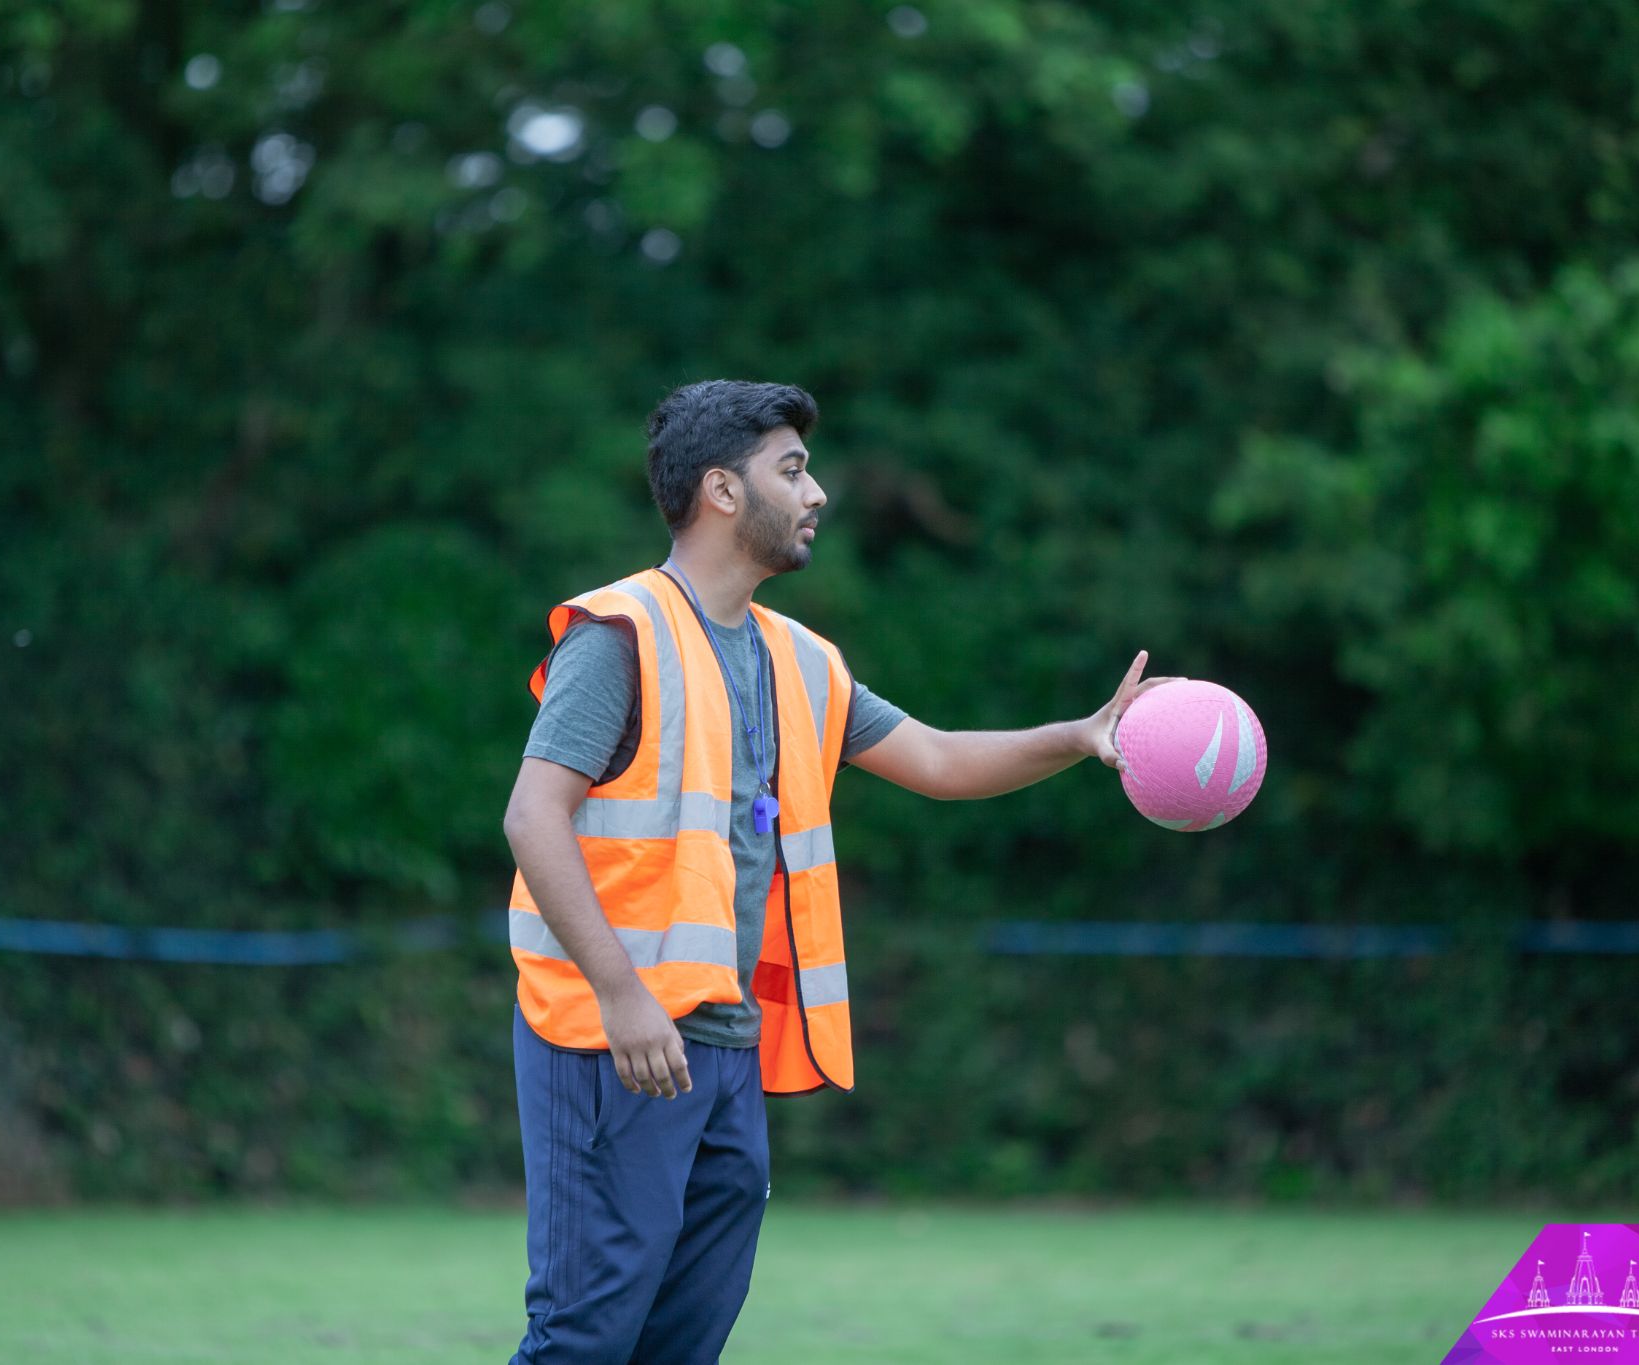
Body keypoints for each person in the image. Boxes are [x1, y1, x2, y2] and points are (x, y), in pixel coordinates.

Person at [501, 379, 1174, 1363]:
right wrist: (621, 995)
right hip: (611, 1039)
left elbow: (939, 762)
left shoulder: (801, 661)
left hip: (723, 1050)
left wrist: (1078, 736)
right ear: (722, 492)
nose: (815, 492)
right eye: (793, 469)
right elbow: (531, 816)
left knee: (680, 1343)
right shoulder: (620, 635)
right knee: (586, 1338)